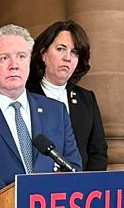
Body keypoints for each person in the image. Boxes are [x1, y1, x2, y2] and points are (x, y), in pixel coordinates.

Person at [0, 24, 82, 199]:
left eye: (21, 56)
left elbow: (74, 168)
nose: (14, 65)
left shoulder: (56, 111)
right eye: (4, 58)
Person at [28, 20, 109, 171]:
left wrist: (89, 186)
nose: (67, 57)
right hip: (37, 187)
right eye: (60, 49)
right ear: (43, 53)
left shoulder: (86, 99)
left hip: (80, 189)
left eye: (74, 52)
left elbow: (98, 151)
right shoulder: (25, 95)